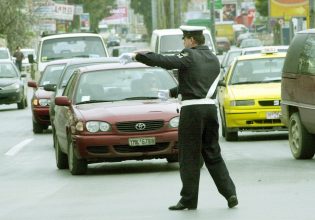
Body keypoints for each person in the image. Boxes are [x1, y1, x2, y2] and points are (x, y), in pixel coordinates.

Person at [119, 25, 238, 210]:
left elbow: (165, 60)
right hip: (210, 110)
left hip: (192, 112)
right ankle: (230, 193)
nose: (183, 42)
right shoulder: (213, 59)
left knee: (189, 156)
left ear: (191, 40)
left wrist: (138, 56)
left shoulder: (189, 55)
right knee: (213, 153)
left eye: (184, 39)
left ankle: (188, 199)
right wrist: (170, 92)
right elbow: (199, 84)